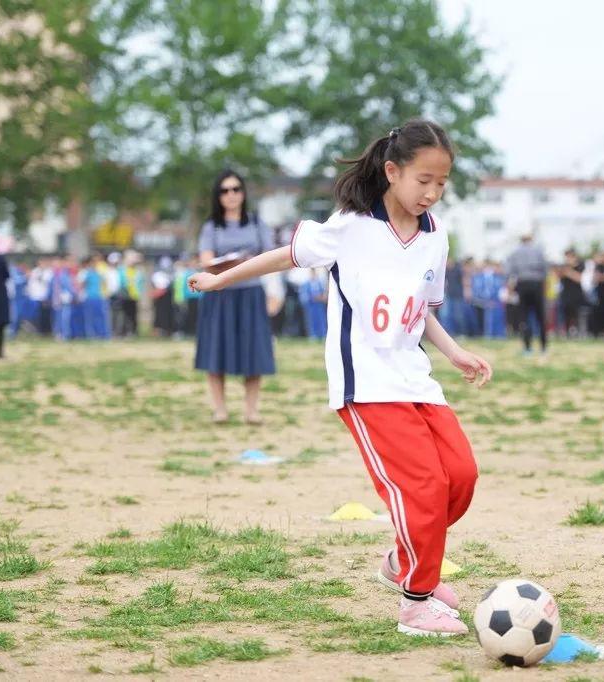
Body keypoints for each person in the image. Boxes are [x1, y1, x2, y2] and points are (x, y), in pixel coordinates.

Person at [188, 120, 492, 637]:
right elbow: (285, 256)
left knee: (460, 477)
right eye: (423, 180)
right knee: (422, 487)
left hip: (415, 378)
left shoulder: (434, 236)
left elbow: (422, 310)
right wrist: (221, 279)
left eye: (442, 182)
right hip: (366, 385)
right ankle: (417, 601)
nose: (432, 192)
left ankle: (402, 561)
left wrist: (456, 352)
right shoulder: (351, 225)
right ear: (392, 171)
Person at [194, 170, 277, 424]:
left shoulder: (256, 223)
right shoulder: (211, 226)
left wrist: (275, 293)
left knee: (253, 353)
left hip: (251, 294)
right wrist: (230, 263)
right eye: (225, 190)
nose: (231, 195)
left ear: (243, 193)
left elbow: (271, 257)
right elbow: (206, 260)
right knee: (215, 352)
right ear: (218, 196)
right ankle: (220, 409)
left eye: (235, 189)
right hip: (219, 295)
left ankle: (251, 411)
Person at [505, 231, 548, 355]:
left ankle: (527, 348)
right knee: (540, 317)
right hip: (537, 284)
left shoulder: (515, 253)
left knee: (524, 317)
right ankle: (543, 347)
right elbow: (545, 270)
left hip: (522, 284)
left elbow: (510, 272)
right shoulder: (539, 251)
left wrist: (510, 289)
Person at [558, 249, 585, 337]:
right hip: (566, 294)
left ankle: (578, 331)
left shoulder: (580, 265)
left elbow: (579, 278)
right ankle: (566, 332)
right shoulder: (563, 266)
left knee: (576, 314)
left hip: (576, 294)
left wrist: (568, 272)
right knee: (566, 314)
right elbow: (559, 275)